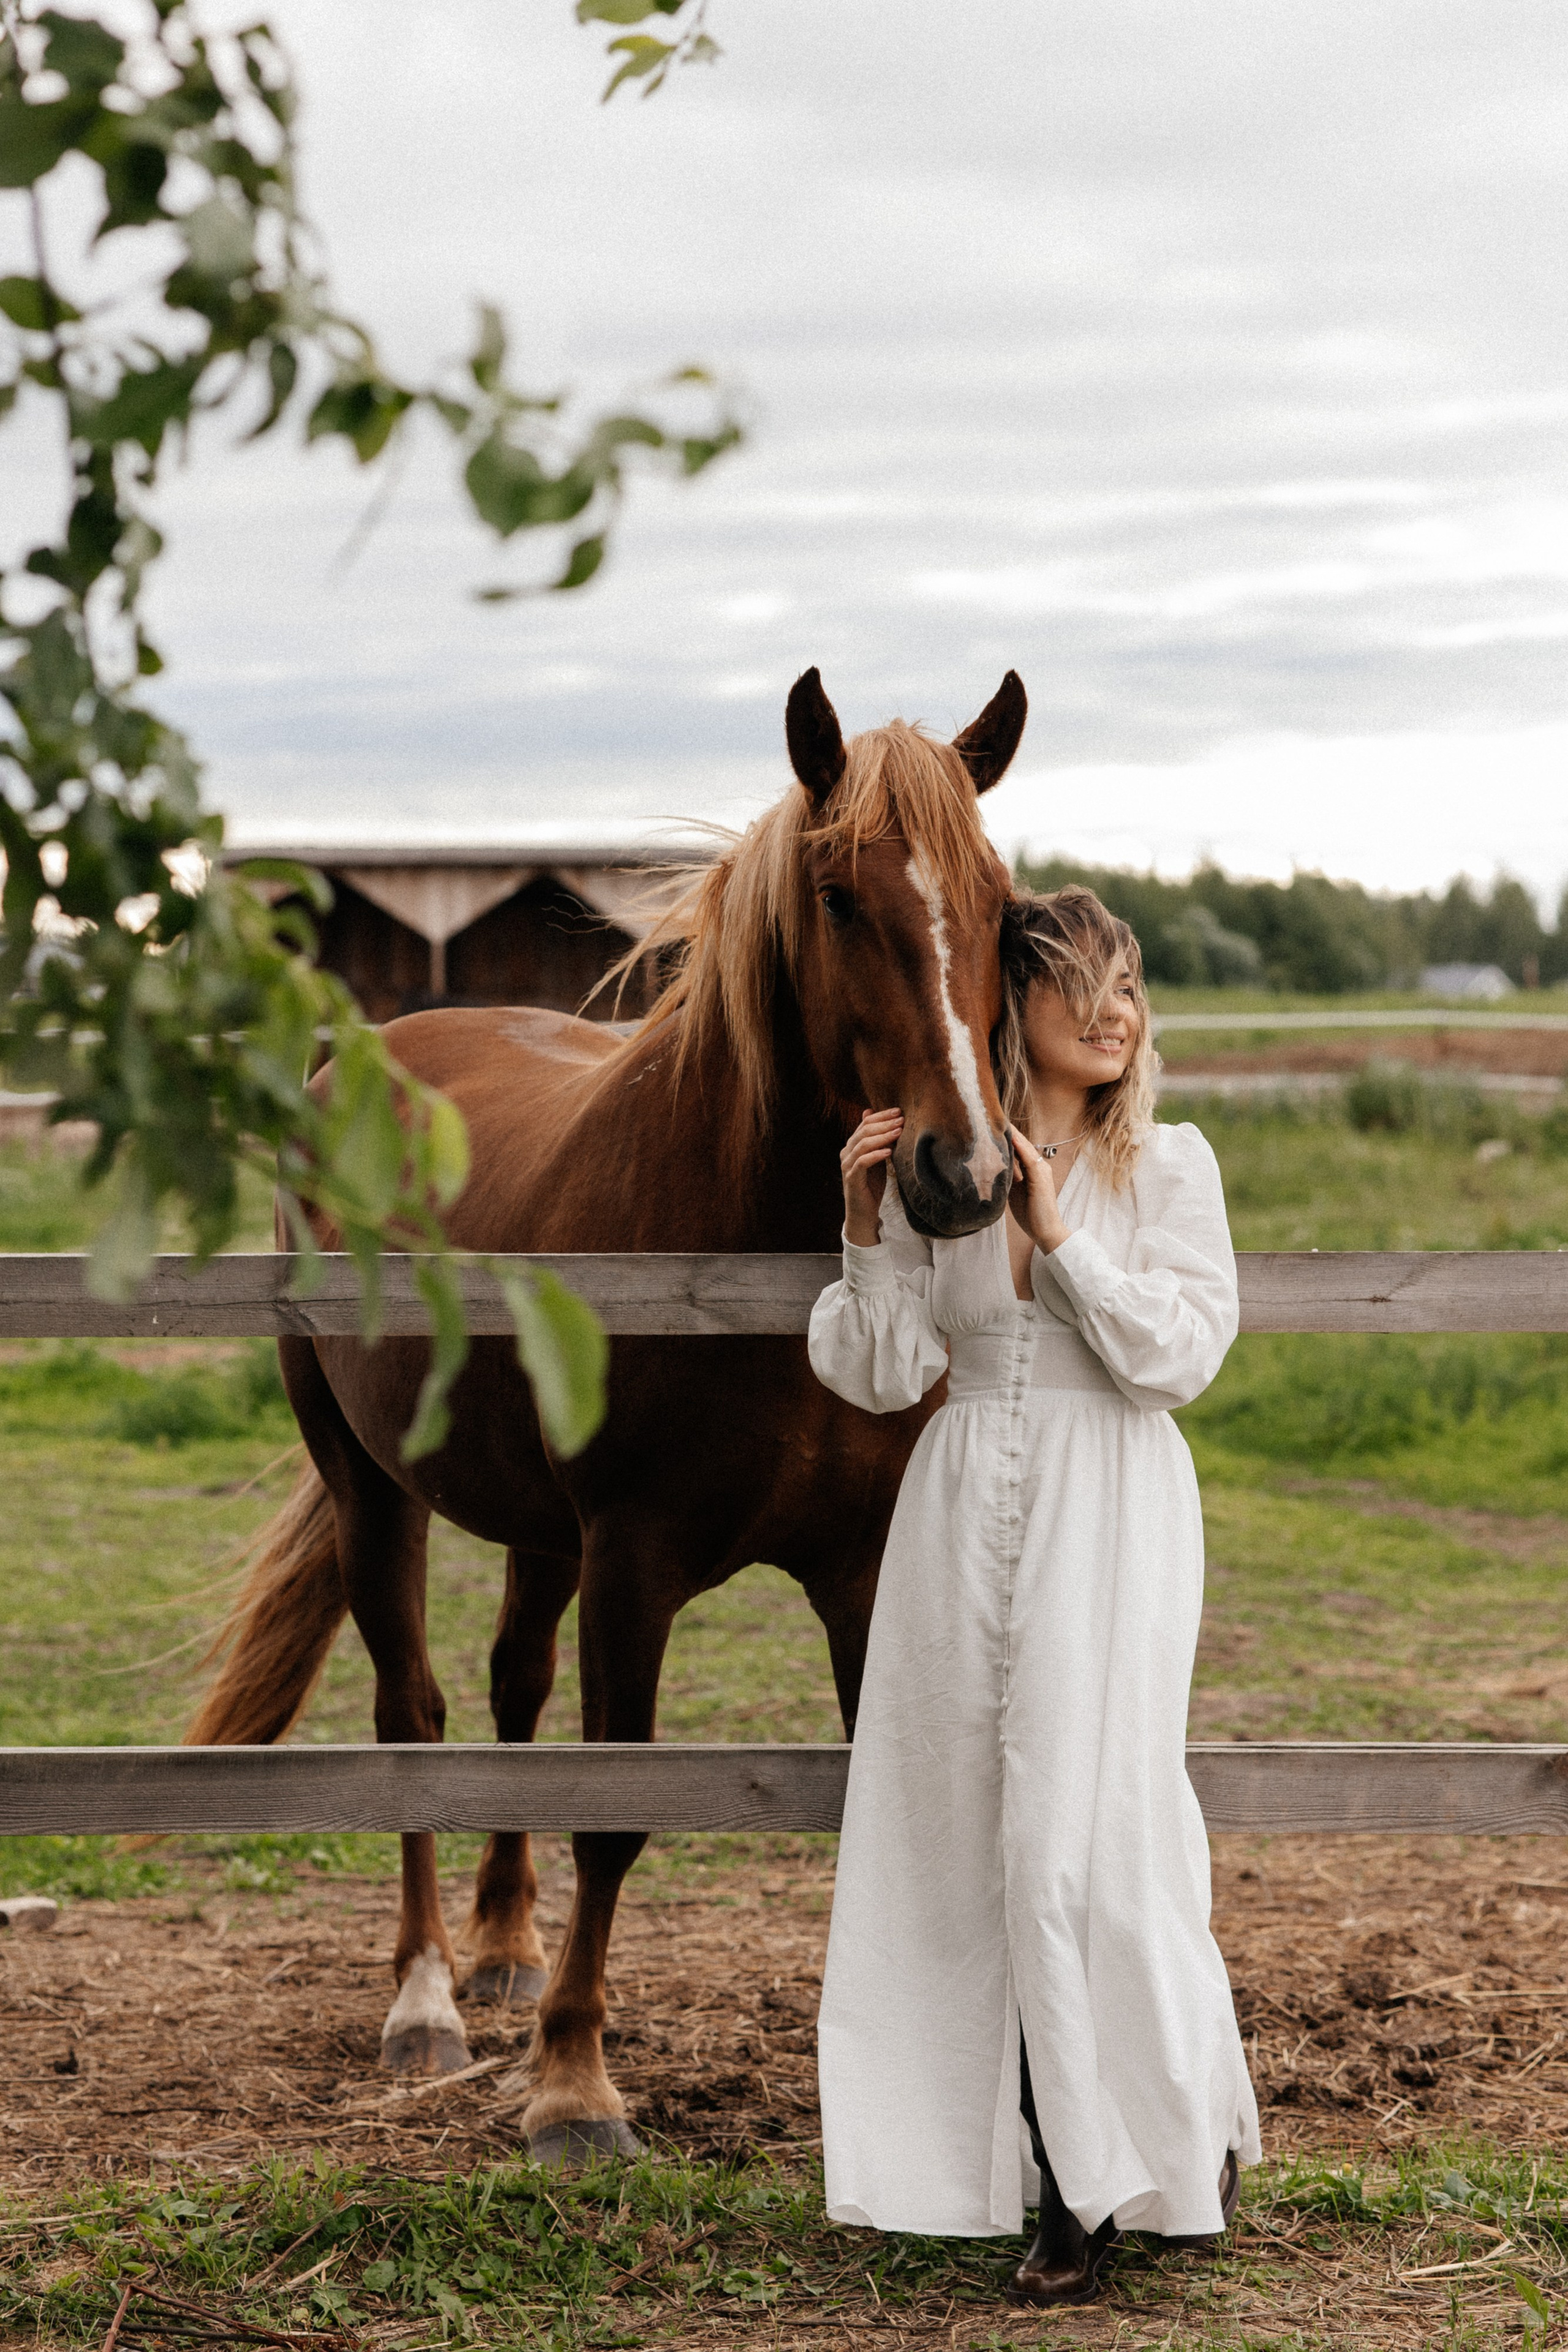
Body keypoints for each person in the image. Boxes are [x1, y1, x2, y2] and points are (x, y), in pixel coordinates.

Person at [807, 883, 1260, 2307]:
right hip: (955, 1506)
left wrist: (1063, 1242)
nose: (1115, 1011)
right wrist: (865, 1224)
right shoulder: (955, 1174)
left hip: (1109, 1501)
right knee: (960, 1836)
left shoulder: (1165, 1166)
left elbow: (1175, 1359)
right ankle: (1014, 2157)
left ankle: (1096, 2178)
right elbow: (878, 1373)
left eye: (1129, 985)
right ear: (1017, 1005)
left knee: (1082, 1838)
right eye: (1083, 985)